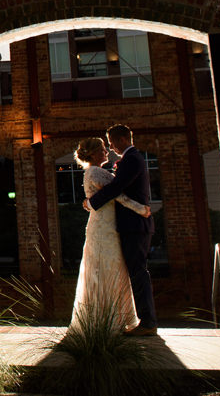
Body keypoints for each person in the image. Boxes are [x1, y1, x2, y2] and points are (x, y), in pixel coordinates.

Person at [69, 134, 151, 334]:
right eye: (103, 148)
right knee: (110, 270)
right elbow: (118, 195)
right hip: (106, 229)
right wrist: (141, 209)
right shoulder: (97, 172)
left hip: (102, 226)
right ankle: (111, 318)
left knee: (102, 271)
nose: (107, 151)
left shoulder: (92, 172)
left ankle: (101, 317)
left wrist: (89, 204)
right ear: (95, 153)